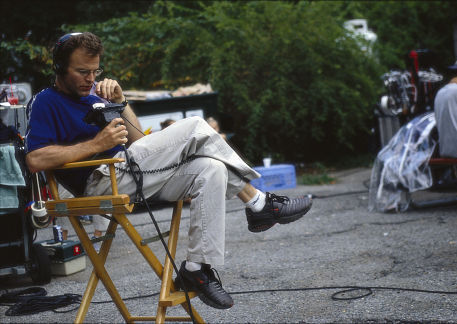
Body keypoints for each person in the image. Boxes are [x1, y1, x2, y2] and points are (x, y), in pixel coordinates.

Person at [25, 32, 312, 310]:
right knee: (197, 127)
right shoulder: (45, 101)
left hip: (132, 173)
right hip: (100, 181)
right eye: (82, 71)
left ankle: (196, 268)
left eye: (95, 71)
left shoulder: (93, 95)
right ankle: (258, 203)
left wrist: (121, 103)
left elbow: (139, 141)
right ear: (59, 68)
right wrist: (97, 144)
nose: (91, 79)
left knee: (211, 169)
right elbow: (35, 160)